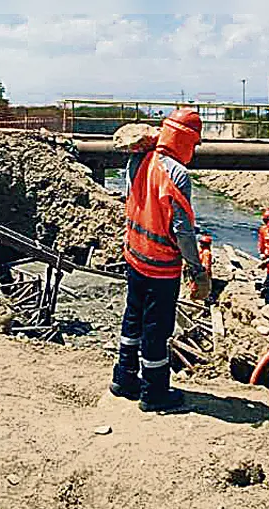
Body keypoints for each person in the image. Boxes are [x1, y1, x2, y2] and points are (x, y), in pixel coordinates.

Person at [110, 108, 210, 412]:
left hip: (134, 256)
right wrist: (197, 270)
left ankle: (124, 379)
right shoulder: (177, 174)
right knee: (157, 327)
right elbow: (182, 230)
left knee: (133, 317)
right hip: (160, 267)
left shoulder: (138, 160)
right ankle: (154, 394)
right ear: (185, 140)